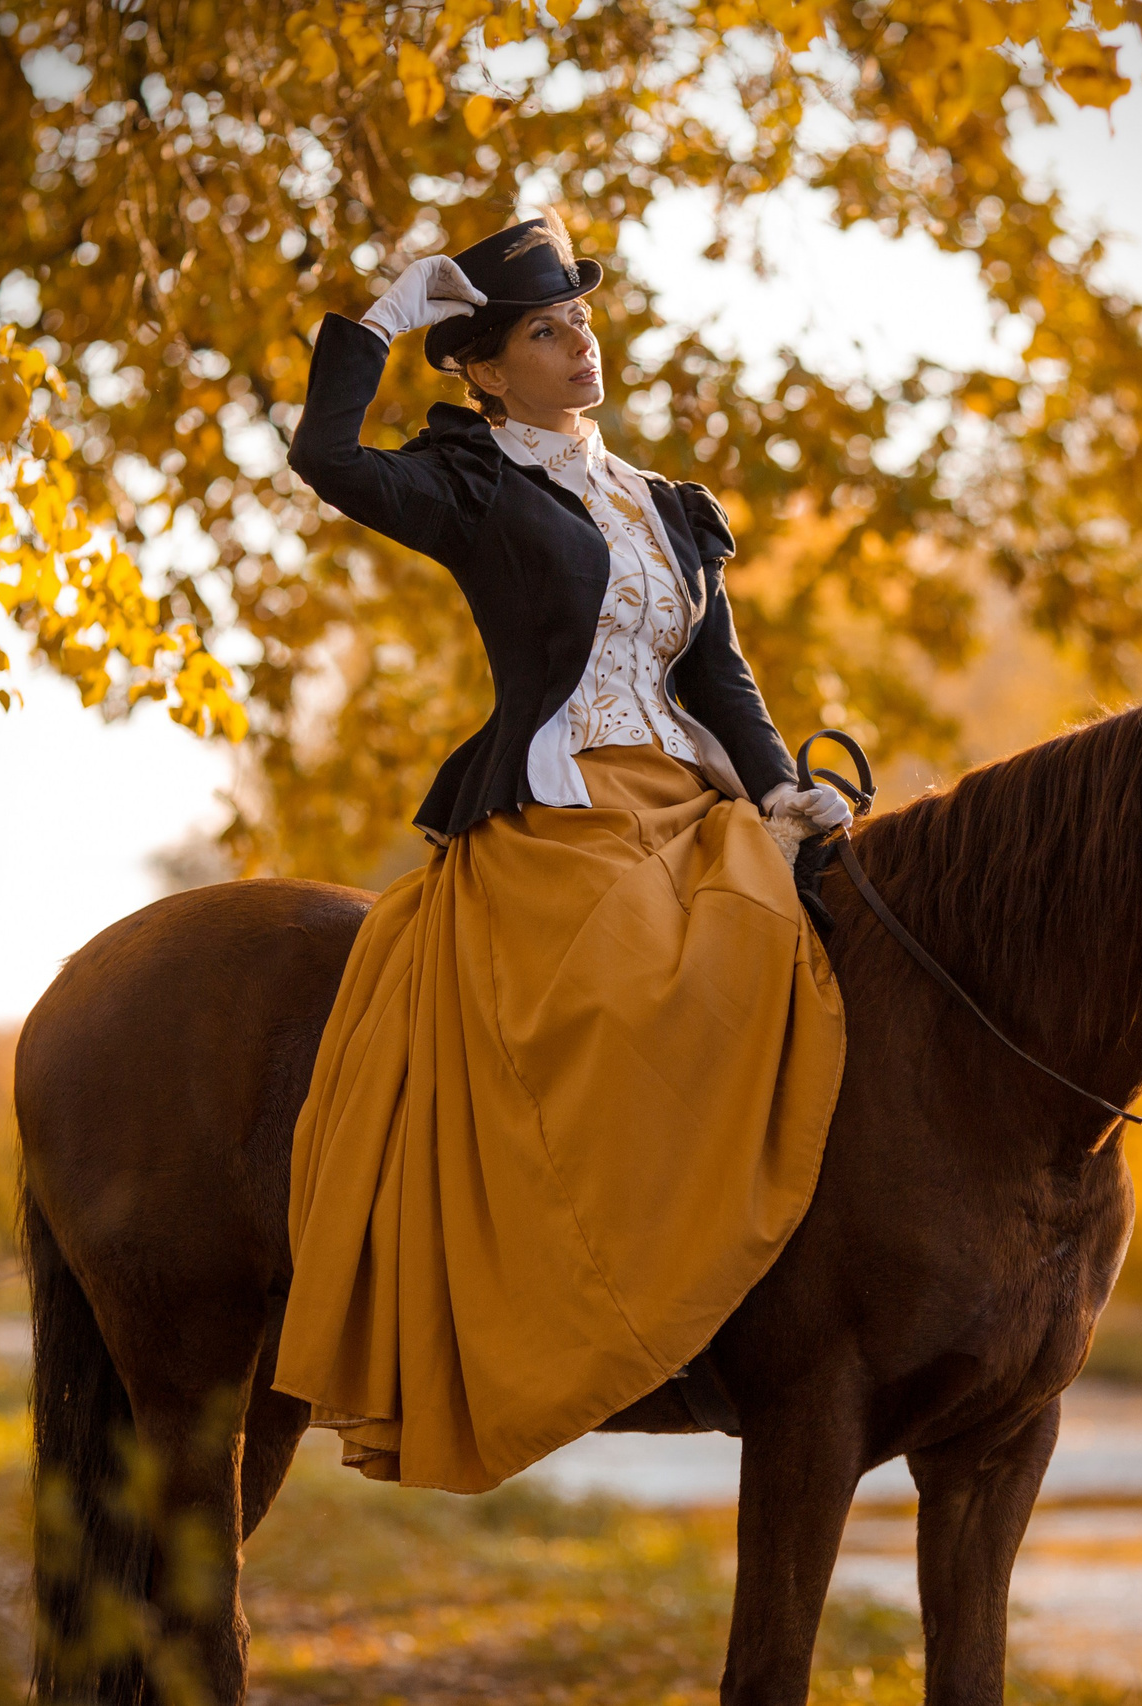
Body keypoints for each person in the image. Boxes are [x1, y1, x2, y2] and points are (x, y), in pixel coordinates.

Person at [273, 215, 852, 1493]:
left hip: (693, 798)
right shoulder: (469, 483)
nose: (579, 341)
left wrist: (784, 794)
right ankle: (606, 1288)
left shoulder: (663, 504)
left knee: (819, 928)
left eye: (581, 319)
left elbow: (722, 676)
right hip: (565, 801)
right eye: (545, 330)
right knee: (633, 975)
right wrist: (376, 323)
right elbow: (322, 452)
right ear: (483, 368)